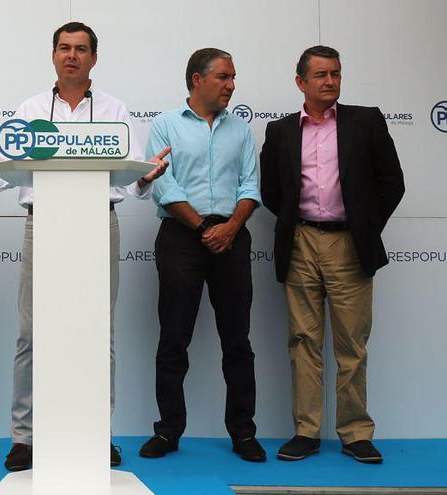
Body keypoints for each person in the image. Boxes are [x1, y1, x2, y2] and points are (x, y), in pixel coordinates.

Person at [0, 21, 169, 471]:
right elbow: (8, 176)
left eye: (80, 49)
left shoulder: (115, 109)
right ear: (53, 55)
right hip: (43, 224)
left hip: (99, 223)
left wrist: (147, 176)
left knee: (100, 333)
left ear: (94, 58)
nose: (71, 55)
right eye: (63, 48)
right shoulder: (31, 108)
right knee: (31, 334)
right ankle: (25, 438)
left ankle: (98, 433)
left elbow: (131, 177)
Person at [259, 45, 404, 464]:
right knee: (303, 340)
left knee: (351, 344)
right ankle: (306, 431)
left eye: (336, 74)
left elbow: (391, 183)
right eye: (321, 75)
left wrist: (362, 226)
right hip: (301, 241)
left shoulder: (366, 122)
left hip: (349, 243)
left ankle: (356, 433)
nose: (330, 82)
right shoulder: (281, 130)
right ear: (301, 82)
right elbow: (272, 191)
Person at [139, 48, 265, 462]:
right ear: (197, 79)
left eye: (233, 78)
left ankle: (243, 433)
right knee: (174, 338)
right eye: (224, 77)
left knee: (238, 341)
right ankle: (169, 431)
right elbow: (164, 186)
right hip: (181, 236)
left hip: (232, 236)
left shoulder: (241, 130)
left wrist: (229, 228)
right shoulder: (165, 126)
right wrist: (202, 228)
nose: (232, 85)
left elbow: (250, 186)